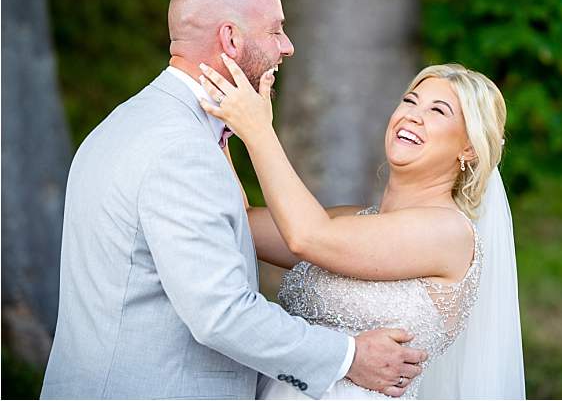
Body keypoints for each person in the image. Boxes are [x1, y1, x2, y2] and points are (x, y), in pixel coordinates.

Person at [40, 0, 426, 400]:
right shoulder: (181, 150)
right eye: (276, 31)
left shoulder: (128, 121)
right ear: (231, 39)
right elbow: (220, 313)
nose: (288, 47)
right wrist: (349, 356)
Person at [198, 57, 526, 399]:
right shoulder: (350, 222)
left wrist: (258, 129)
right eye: (410, 101)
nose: (413, 114)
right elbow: (243, 223)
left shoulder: (449, 233)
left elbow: (307, 238)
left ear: (469, 148)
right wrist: (221, 128)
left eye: (438, 111)